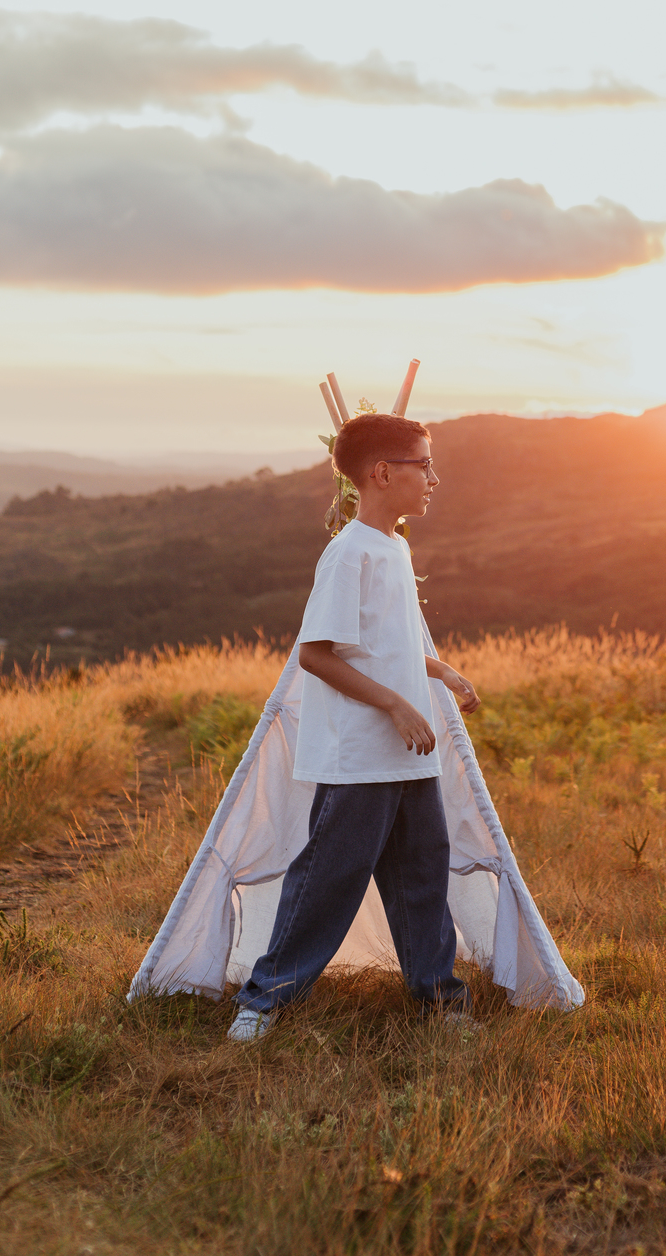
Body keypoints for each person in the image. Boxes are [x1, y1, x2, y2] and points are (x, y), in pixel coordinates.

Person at [228, 412, 481, 1042]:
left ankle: (440, 1004)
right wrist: (395, 706)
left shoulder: (394, 547)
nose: (433, 478)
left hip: (409, 753)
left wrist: (442, 672)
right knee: (328, 881)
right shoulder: (347, 555)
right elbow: (316, 653)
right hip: (362, 755)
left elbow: (384, 644)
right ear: (382, 472)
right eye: (424, 465)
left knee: (423, 875)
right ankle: (262, 1003)